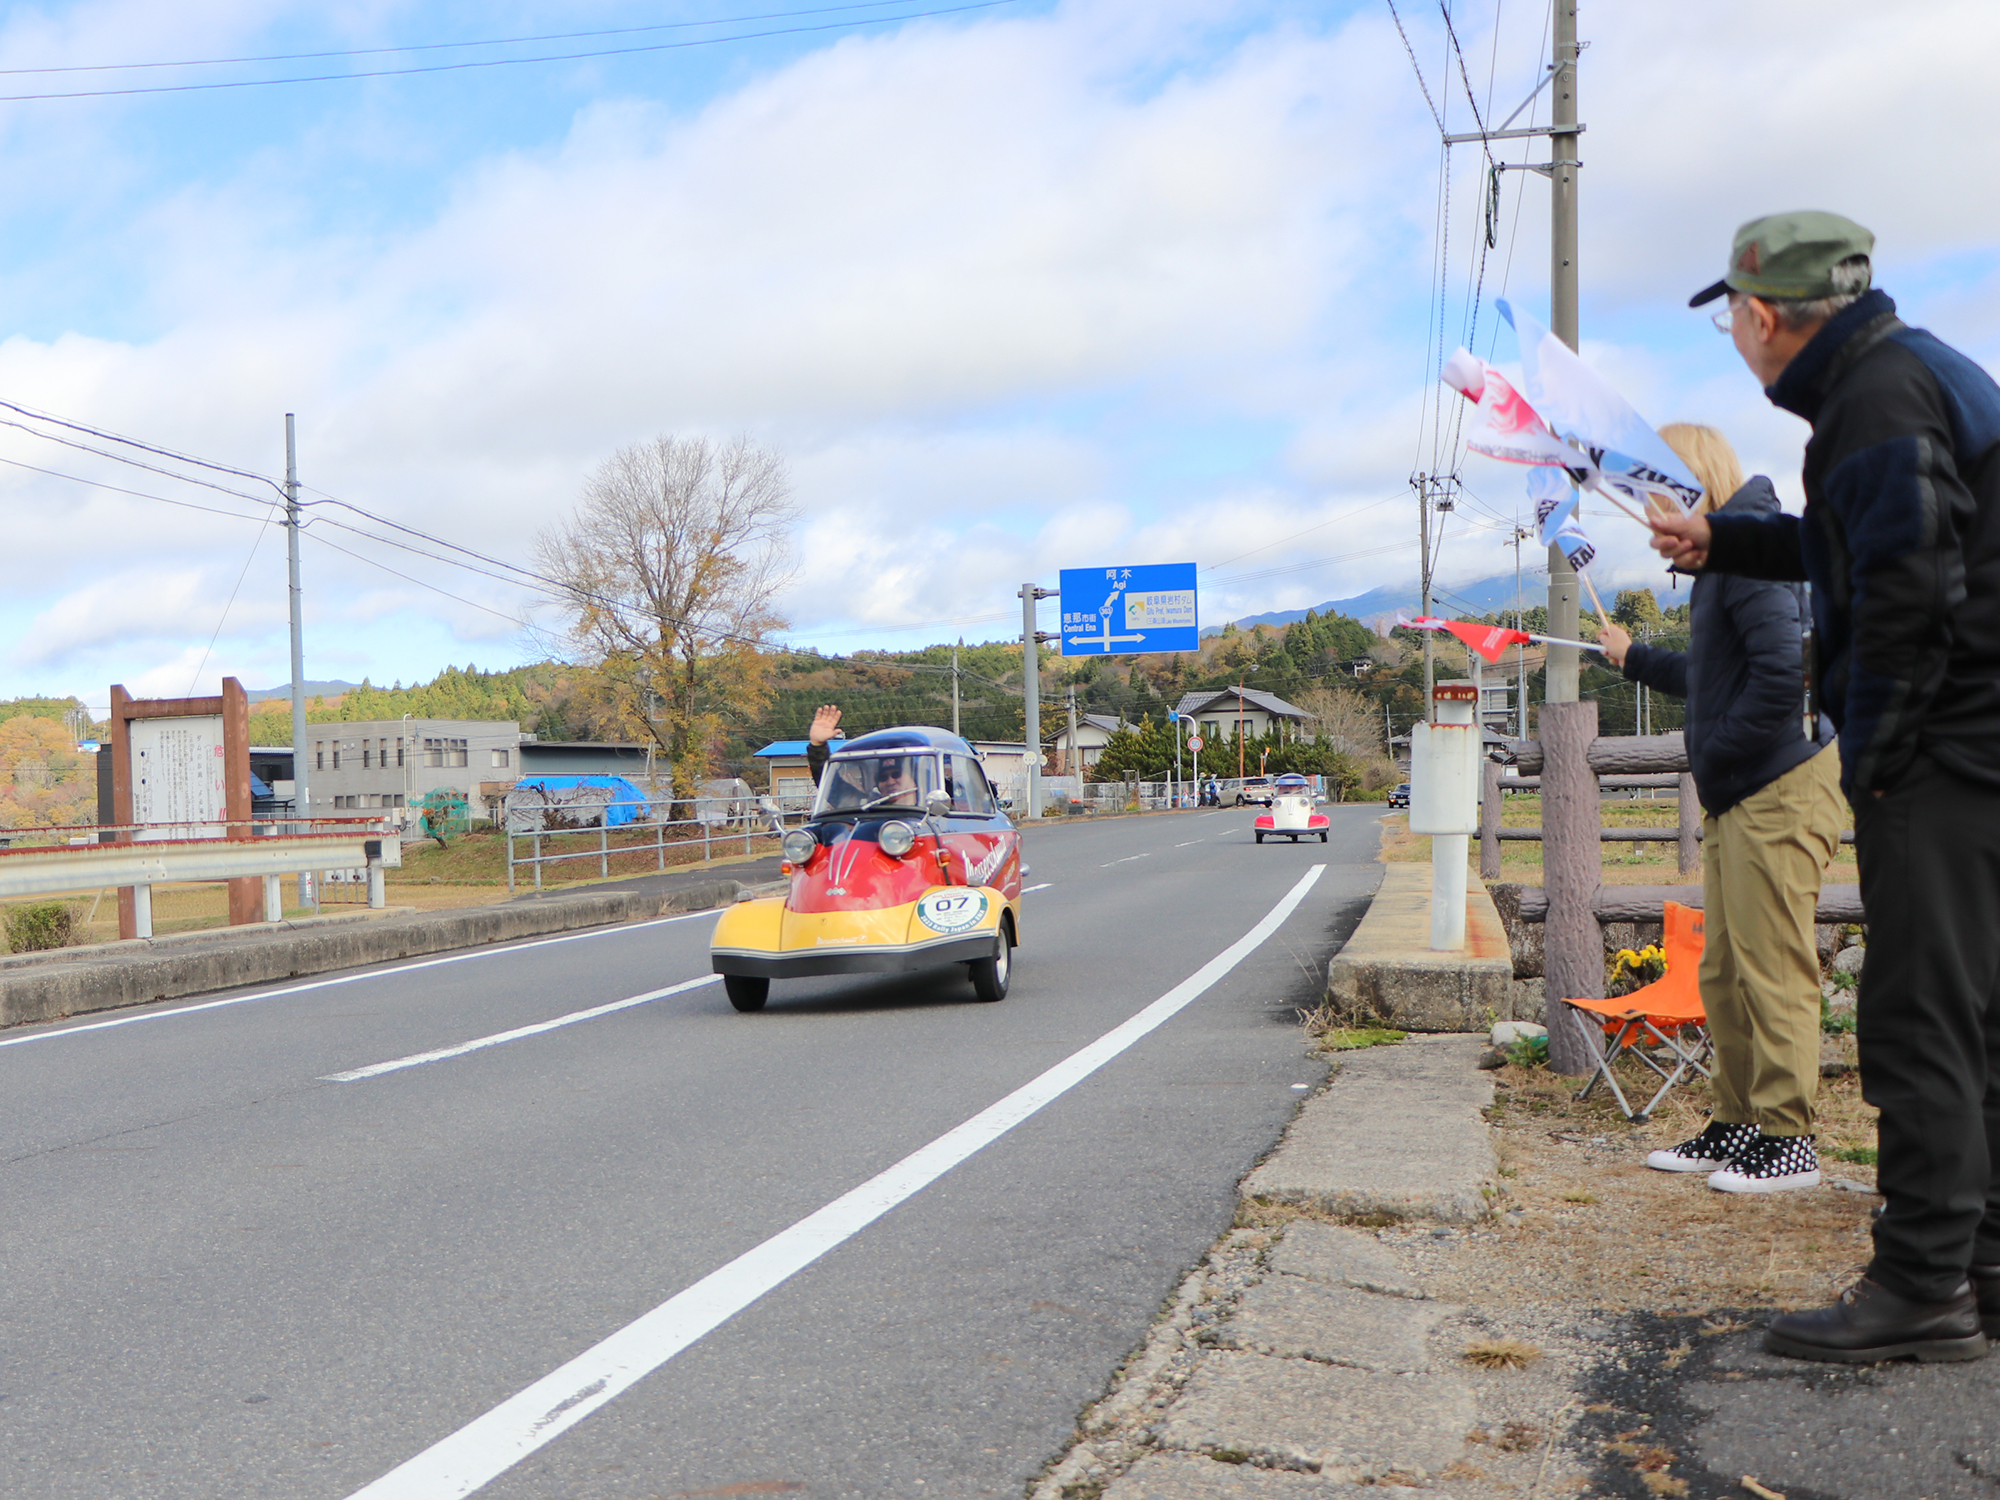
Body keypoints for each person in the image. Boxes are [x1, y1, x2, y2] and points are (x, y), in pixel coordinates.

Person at [1651, 211, 2000, 1364]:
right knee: (1974, 1016)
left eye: (1729, 321)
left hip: (1951, 750)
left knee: (1917, 1017)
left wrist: (1880, 759)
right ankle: (1976, 1264)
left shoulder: (1870, 400)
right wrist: (1727, 544)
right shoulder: (1905, 370)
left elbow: (1903, 584)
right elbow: (1852, 536)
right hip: (1972, 745)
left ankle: (1918, 1287)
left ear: (1756, 317)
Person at [1595, 423, 1843, 1193]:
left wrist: (1721, 754)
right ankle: (1739, 1123)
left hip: (1779, 782)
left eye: (1655, 496)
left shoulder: (1758, 552)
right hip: (1746, 786)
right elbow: (1714, 673)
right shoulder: (1731, 560)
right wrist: (1634, 658)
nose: (1652, 520)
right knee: (1728, 969)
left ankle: (1787, 1137)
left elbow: (1784, 675)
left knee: (1772, 963)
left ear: (1692, 483)